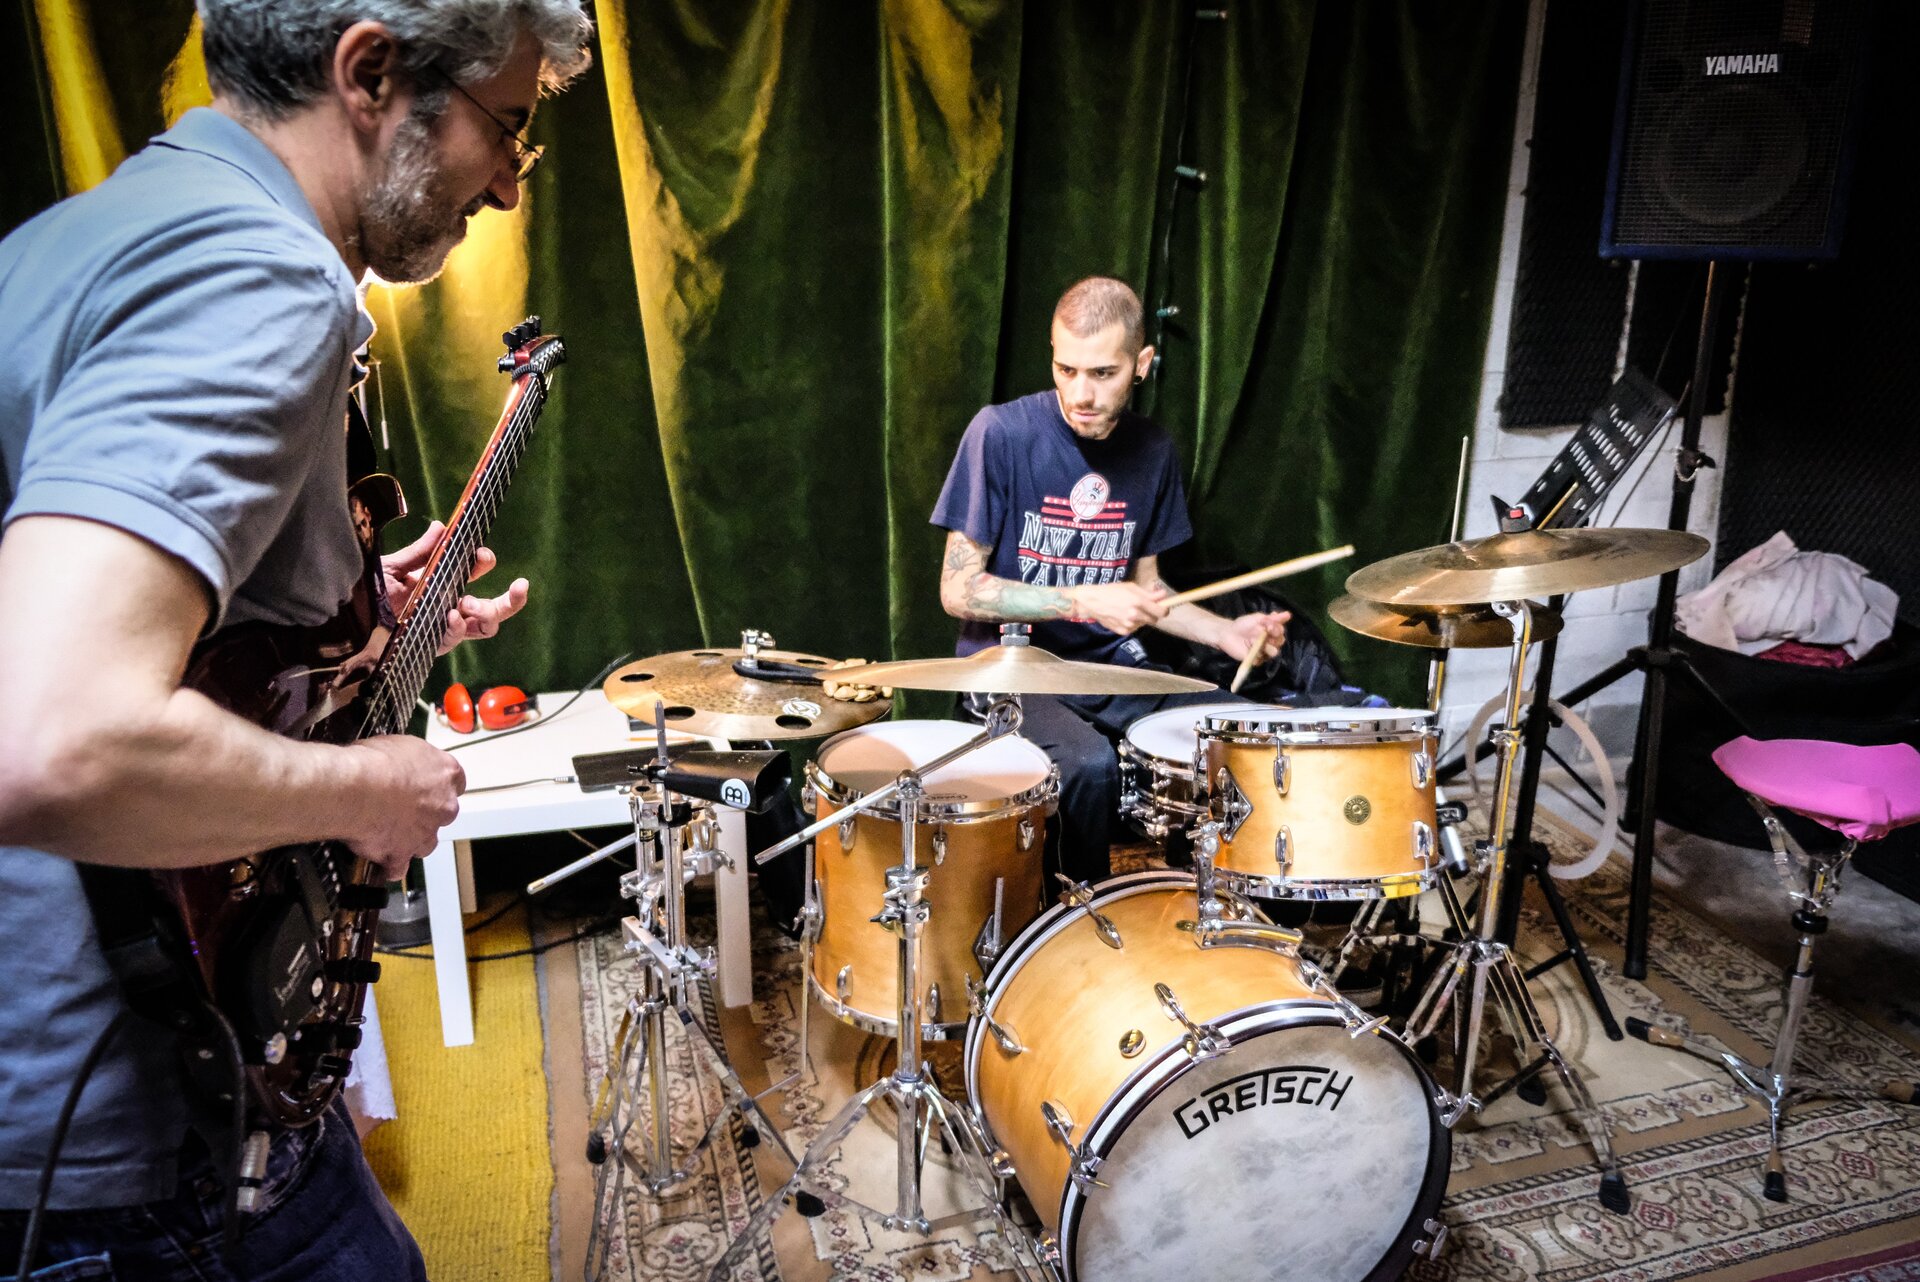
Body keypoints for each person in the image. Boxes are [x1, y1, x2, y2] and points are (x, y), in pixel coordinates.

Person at [0, 2, 592, 1277]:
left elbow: (112, 613)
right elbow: (48, 744)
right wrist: (364, 786)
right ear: (371, 72)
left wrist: (345, 613)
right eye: (510, 128)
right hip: (128, 1132)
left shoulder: (72, 242)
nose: (505, 184)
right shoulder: (254, 277)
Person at [932, 276, 1289, 884]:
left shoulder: (1153, 451)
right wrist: (1080, 601)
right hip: (1008, 670)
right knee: (1089, 767)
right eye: (1065, 369)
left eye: (1103, 373)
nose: (1081, 394)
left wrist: (1227, 633)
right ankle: (1076, 930)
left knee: (1241, 733)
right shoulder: (1000, 433)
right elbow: (957, 589)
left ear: (1142, 364)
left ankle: (1226, 920)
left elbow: (1152, 594)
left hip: (1109, 665)